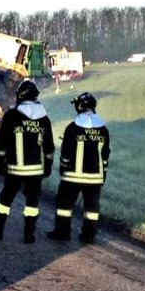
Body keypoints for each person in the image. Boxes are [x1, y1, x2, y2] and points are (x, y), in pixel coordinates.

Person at [0, 79, 55, 244]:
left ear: (20, 96)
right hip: (35, 171)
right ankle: (29, 235)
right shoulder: (43, 118)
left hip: (14, 169)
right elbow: (49, 147)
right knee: (32, 203)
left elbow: (1, 142)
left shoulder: (11, 115)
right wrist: (48, 167)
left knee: (5, 201)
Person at [47, 92, 110, 244]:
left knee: (64, 206)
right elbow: (105, 155)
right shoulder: (103, 129)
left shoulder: (73, 128)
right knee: (92, 209)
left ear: (80, 106)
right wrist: (103, 175)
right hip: (95, 178)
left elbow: (66, 153)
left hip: (72, 177)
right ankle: (88, 236)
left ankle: (62, 233)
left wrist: (63, 168)